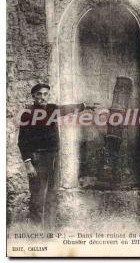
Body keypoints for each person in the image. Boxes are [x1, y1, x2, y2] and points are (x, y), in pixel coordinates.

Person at [18, 83, 95, 229]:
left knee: (52, 196)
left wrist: (84, 105)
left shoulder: (52, 109)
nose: (43, 97)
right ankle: (35, 233)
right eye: (39, 94)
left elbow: (67, 109)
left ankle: (49, 232)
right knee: (38, 198)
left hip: (53, 158)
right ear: (33, 96)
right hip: (37, 158)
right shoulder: (27, 114)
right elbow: (22, 141)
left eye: (46, 94)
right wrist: (28, 164)